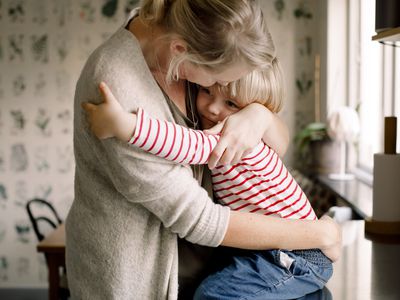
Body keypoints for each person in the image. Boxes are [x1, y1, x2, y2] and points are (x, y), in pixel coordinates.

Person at [66, 0, 341, 299]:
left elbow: (279, 142)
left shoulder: (181, 46)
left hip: (216, 267)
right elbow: (198, 217)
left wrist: (259, 115)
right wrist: (318, 234)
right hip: (133, 281)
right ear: (180, 51)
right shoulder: (117, 85)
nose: (219, 92)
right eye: (217, 81)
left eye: (232, 98)